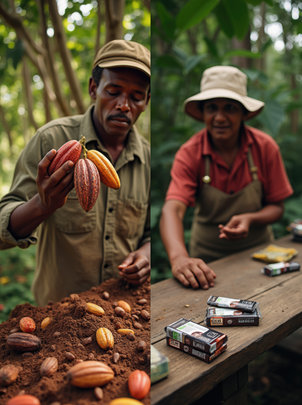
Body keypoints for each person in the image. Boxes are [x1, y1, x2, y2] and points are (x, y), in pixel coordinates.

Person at [0, 39, 150, 306]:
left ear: (146, 101)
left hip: (122, 310)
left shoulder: (148, 158)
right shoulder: (51, 140)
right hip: (59, 315)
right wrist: (42, 205)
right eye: (113, 91)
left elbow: (152, 233)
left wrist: (147, 254)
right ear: (94, 89)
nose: (124, 105)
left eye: (136, 96)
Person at [160, 65, 293, 290]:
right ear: (203, 113)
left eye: (229, 108)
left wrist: (251, 218)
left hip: (259, 255)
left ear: (243, 113)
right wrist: (179, 259)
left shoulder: (265, 147)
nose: (220, 117)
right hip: (208, 261)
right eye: (212, 108)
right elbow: (172, 209)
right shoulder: (190, 152)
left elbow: (277, 207)